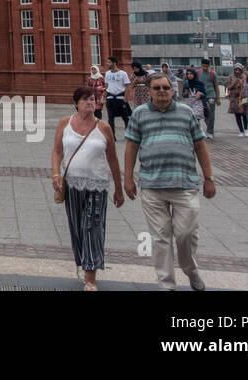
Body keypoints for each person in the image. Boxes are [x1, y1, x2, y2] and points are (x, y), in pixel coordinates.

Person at [124, 73, 216, 291]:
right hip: (152, 186)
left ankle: (190, 269)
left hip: (184, 184)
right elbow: (131, 147)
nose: (162, 91)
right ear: (150, 91)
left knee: (186, 233)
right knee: (161, 239)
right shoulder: (139, 114)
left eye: (166, 87)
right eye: (157, 88)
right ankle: (167, 285)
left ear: (172, 90)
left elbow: (200, 145)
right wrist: (127, 179)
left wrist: (209, 178)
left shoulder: (186, 112)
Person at [51, 85, 123, 291]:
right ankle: (86, 264)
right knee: (77, 228)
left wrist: (118, 188)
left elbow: (113, 160)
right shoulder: (65, 123)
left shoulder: (104, 128)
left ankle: (91, 276)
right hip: (72, 184)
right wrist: (56, 173)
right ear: (76, 103)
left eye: (93, 99)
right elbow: (57, 151)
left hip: (97, 186)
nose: (90, 102)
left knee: (91, 227)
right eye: (85, 99)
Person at [103, 57, 131, 139]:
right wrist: (104, 98)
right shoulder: (107, 73)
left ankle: (128, 134)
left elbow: (127, 86)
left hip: (120, 97)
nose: (107, 64)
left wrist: (125, 99)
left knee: (125, 117)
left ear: (114, 63)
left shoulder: (123, 73)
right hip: (110, 97)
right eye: (107, 62)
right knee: (110, 118)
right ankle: (112, 136)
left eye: (109, 62)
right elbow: (106, 86)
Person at [197, 60, 220, 139]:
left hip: (211, 96)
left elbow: (216, 86)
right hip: (202, 96)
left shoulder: (213, 74)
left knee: (211, 113)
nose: (205, 68)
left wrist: (218, 98)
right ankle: (208, 127)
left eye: (206, 66)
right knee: (203, 113)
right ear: (201, 65)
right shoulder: (198, 73)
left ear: (209, 66)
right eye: (203, 66)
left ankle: (210, 131)